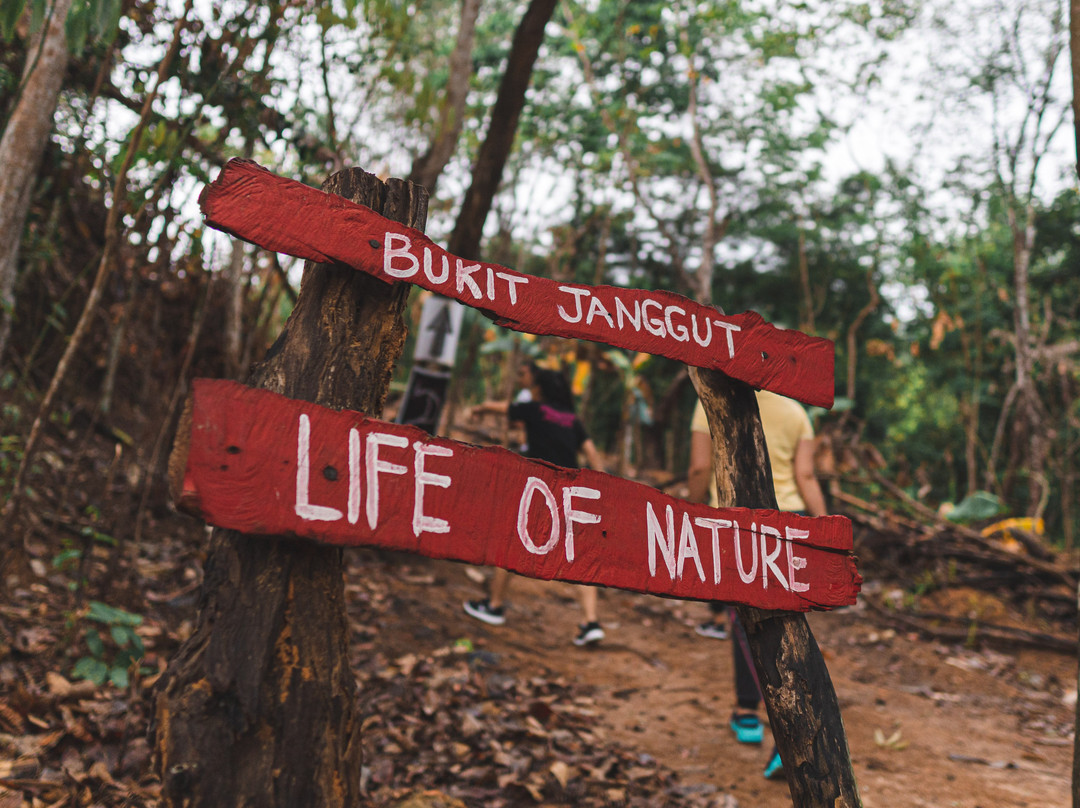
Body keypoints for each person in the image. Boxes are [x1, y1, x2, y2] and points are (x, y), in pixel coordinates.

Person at [688, 388, 827, 781]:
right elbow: (805, 475)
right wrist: (824, 531)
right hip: (790, 521)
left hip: (738, 521)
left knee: (744, 623)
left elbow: (700, 469)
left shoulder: (712, 402)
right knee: (788, 625)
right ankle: (759, 716)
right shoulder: (796, 409)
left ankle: (775, 731)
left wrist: (691, 511)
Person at [463, 364, 607, 646]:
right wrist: (600, 486)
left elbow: (503, 407)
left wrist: (479, 408)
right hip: (570, 491)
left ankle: (494, 606)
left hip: (539, 489)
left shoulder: (535, 409)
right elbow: (590, 452)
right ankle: (591, 622)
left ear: (540, 389)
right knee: (575, 555)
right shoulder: (571, 418)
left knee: (511, 543)